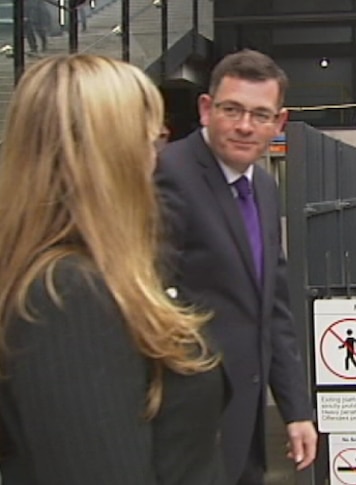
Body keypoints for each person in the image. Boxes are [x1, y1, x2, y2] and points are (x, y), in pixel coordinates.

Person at [0, 54, 229, 485]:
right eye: (150, 142)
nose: (156, 161)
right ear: (112, 157)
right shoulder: (66, 296)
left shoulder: (104, 276)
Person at [155, 49, 317, 485]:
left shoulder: (262, 185)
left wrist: (296, 409)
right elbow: (149, 304)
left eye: (261, 115)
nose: (246, 126)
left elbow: (272, 308)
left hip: (244, 423)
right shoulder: (167, 175)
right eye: (232, 110)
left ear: (279, 123)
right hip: (189, 429)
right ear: (206, 109)